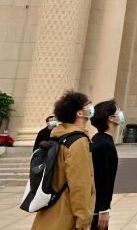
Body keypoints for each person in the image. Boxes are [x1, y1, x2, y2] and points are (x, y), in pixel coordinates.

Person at [32, 91, 96, 230]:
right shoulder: (78, 141)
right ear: (79, 113)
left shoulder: (59, 136)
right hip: (65, 215)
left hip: (50, 212)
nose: (91, 106)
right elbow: (79, 184)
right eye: (88, 104)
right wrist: (83, 219)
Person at [89, 100, 122, 230]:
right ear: (111, 118)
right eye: (118, 110)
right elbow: (102, 179)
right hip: (96, 209)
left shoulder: (101, 139)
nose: (121, 113)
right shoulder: (104, 144)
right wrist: (103, 209)